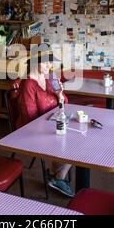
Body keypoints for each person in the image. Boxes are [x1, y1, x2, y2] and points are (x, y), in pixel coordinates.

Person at [16, 51, 74, 197]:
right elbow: (29, 118)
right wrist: (53, 122)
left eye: (51, 62)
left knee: (80, 138)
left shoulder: (51, 77)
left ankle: (57, 175)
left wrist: (60, 95)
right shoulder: (27, 84)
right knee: (75, 144)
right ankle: (58, 177)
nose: (50, 65)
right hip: (33, 129)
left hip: (52, 123)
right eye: (46, 62)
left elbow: (64, 102)